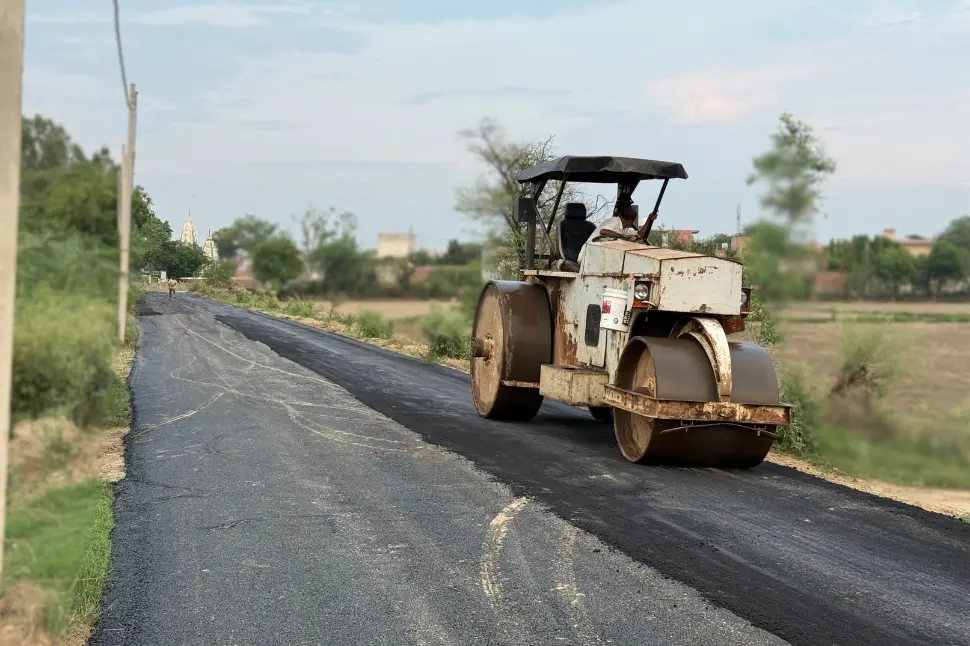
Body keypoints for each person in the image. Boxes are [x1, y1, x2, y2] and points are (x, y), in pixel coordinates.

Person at [576, 203, 659, 266]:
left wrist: (649, 219)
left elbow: (640, 235)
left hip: (603, 259)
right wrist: (621, 237)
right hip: (587, 257)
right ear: (630, 221)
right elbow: (603, 231)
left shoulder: (624, 228)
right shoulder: (613, 221)